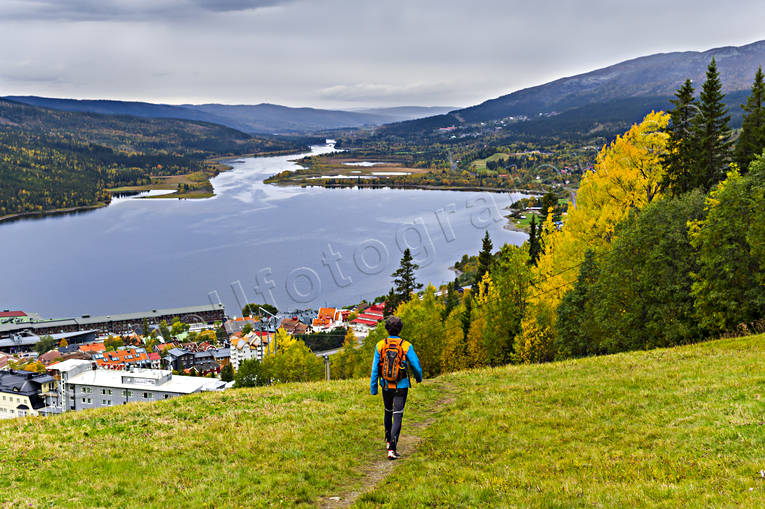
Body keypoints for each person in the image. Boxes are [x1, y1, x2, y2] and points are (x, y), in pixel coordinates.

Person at [370, 315, 423, 460]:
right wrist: (418, 378)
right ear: (400, 329)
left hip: (386, 385)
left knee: (388, 412)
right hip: (401, 385)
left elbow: (375, 368)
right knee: (397, 415)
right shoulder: (406, 345)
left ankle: (388, 441)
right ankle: (392, 449)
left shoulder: (380, 345)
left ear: (387, 329)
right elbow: (416, 365)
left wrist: (373, 388)